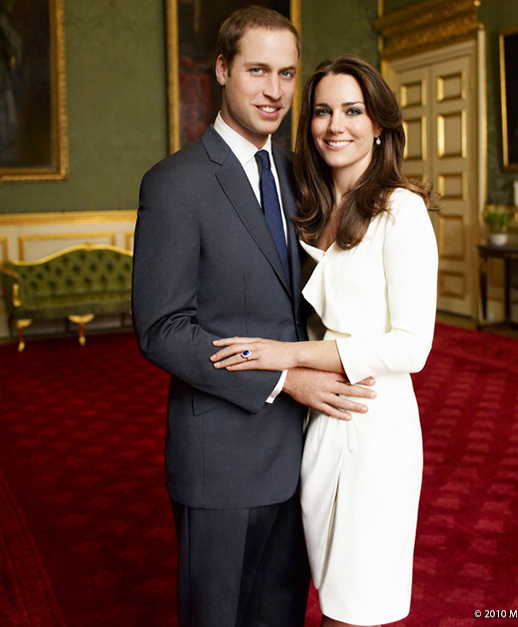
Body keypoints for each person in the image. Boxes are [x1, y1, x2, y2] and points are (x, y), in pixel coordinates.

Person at [131, 9, 375, 627]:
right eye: (258, 70)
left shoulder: (303, 180)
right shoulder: (174, 184)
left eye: (287, 74)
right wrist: (286, 379)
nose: (274, 91)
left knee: (280, 614)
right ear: (221, 70)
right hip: (219, 459)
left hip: (301, 458)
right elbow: (163, 329)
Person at [211, 54, 439, 627]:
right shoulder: (305, 209)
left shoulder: (401, 211)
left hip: (374, 422)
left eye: (353, 110)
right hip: (316, 426)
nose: (335, 125)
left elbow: (412, 347)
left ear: (380, 124)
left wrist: (287, 357)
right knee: (324, 592)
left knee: (356, 606)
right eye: (322, 112)